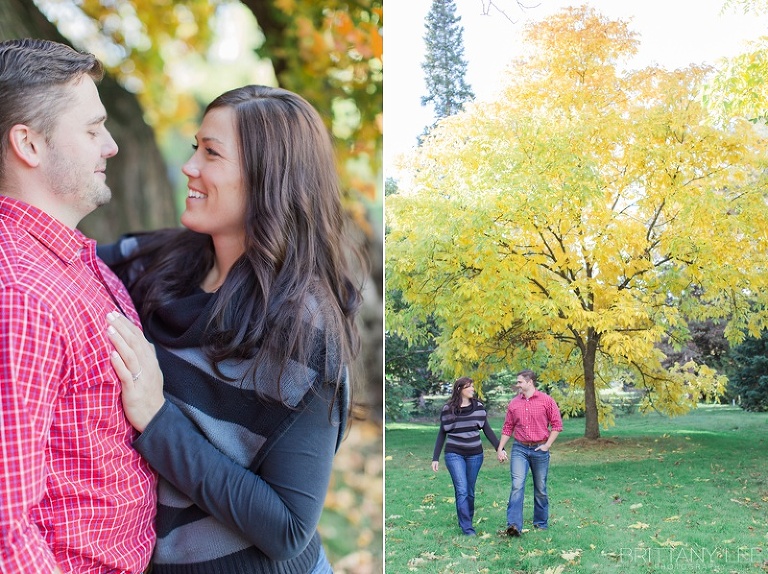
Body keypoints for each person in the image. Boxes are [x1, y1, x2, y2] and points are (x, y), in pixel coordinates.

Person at [99, 84, 364, 573]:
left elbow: (287, 528)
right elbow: (54, 261)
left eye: (212, 153)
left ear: (268, 179)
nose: (190, 166)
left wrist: (157, 420)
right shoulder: (163, 260)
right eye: (195, 147)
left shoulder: (301, 326)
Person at [0, 39, 156, 572]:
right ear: (30, 144)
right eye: (92, 130)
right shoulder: (20, 294)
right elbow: (5, 526)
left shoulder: (71, 260)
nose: (110, 146)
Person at [496, 369, 563, 537]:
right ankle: (513, 525)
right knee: (517, 485)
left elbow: (557, 425)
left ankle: (540, 523)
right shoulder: (514, 404)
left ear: (529, 382)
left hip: (540, 448)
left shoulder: (546, 401)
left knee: (540, 488)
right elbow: (507, 428)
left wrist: (547, 446)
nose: (517, 384)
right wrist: (500, 448)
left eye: (519, 382)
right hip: (520, 448)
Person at [431, 377, 500, 536]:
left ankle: (466, 518)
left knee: (469, 491)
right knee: (461, 489)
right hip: (454, 454)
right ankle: (467, 528)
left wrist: (499, 448)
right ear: (459, 389)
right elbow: (442, 433)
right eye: (469, 387)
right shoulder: (448, 409)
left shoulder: (479, 408)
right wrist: (435, 458)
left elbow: (487, 430)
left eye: (472, 386)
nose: (472, 389)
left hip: (475, 455)